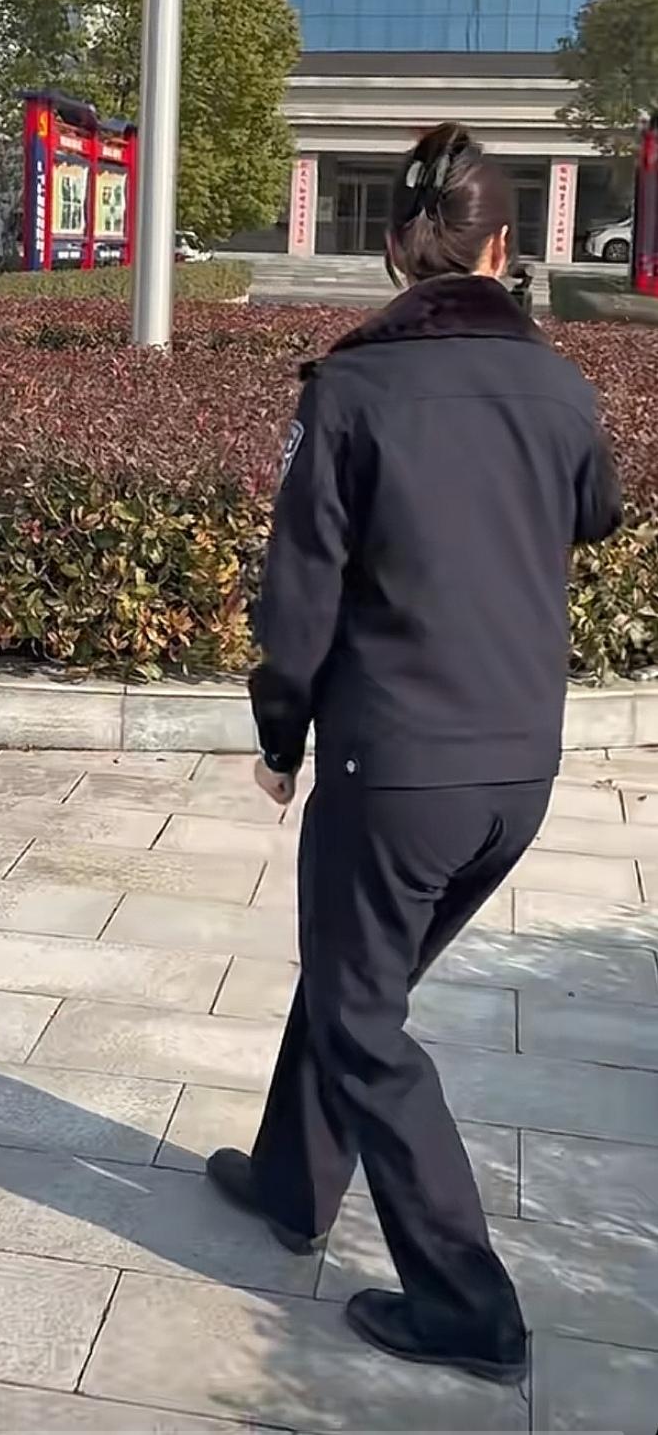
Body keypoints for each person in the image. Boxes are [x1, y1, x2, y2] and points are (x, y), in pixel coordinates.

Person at [206, 123, 622, 1387]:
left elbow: (298, 597)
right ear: (504, 250)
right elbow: (597, 516)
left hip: (398, 767)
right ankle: (291, 1181)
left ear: (393, 250)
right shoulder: (563, 387)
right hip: (519, 771)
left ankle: (467, 1308)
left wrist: (281, 735)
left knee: (361, 1014)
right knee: (359, 978)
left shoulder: (352, 389)